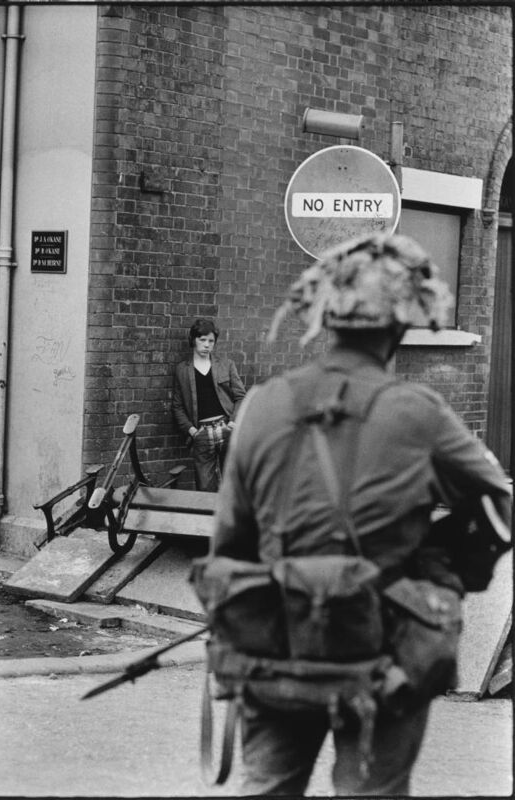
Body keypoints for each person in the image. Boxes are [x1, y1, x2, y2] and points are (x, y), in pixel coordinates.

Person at [210, 233, 512, 795]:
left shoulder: (262, 404)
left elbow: (229, 538)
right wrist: (446, 568)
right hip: (385, 648)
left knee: (268, 786)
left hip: (277, 641)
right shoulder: (419, 413)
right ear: (402, 326)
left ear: (327, 318)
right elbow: (498, 501)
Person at [172, 318, 246, 492]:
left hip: (226, 428)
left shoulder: (226, 365)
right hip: (202, 434)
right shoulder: (182, 370)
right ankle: (208, 520)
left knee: (233, 486)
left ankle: (231, 519)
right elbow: (177, 406)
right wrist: (192, 431)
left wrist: (233, 423)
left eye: (211, 341)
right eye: (202, 340)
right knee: (205, 489)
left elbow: (241, 397)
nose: (207, 345)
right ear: (193, 340)